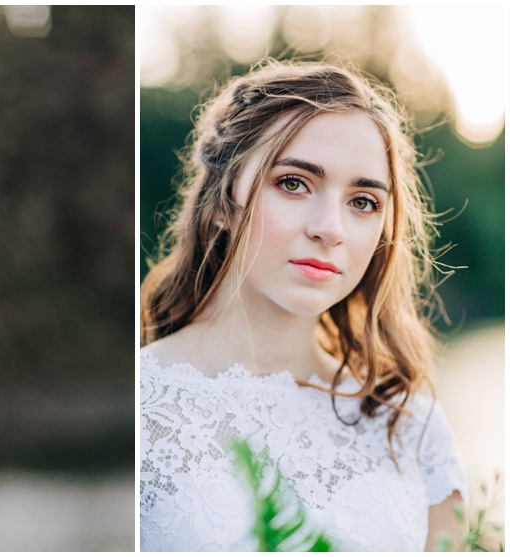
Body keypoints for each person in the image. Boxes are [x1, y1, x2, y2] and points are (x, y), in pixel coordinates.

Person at [138, 60, 467, 551]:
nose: (330, 229)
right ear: (225, 200)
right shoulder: (142, 407)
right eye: (293, 183)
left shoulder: (410, 428)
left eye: (363, 202)